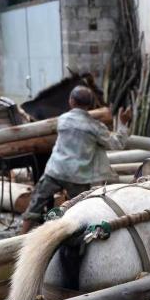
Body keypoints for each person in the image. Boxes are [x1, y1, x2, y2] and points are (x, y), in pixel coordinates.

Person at [20, 85, 132, 233]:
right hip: (78, 178)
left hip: (55, 171)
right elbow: (116, 144)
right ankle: (73, 238)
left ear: (71, 101)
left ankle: (20, 238)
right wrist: (123, 125)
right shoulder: (95, 127)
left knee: (36, 205)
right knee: (78, 210)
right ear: (91, 105)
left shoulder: (62, 120)